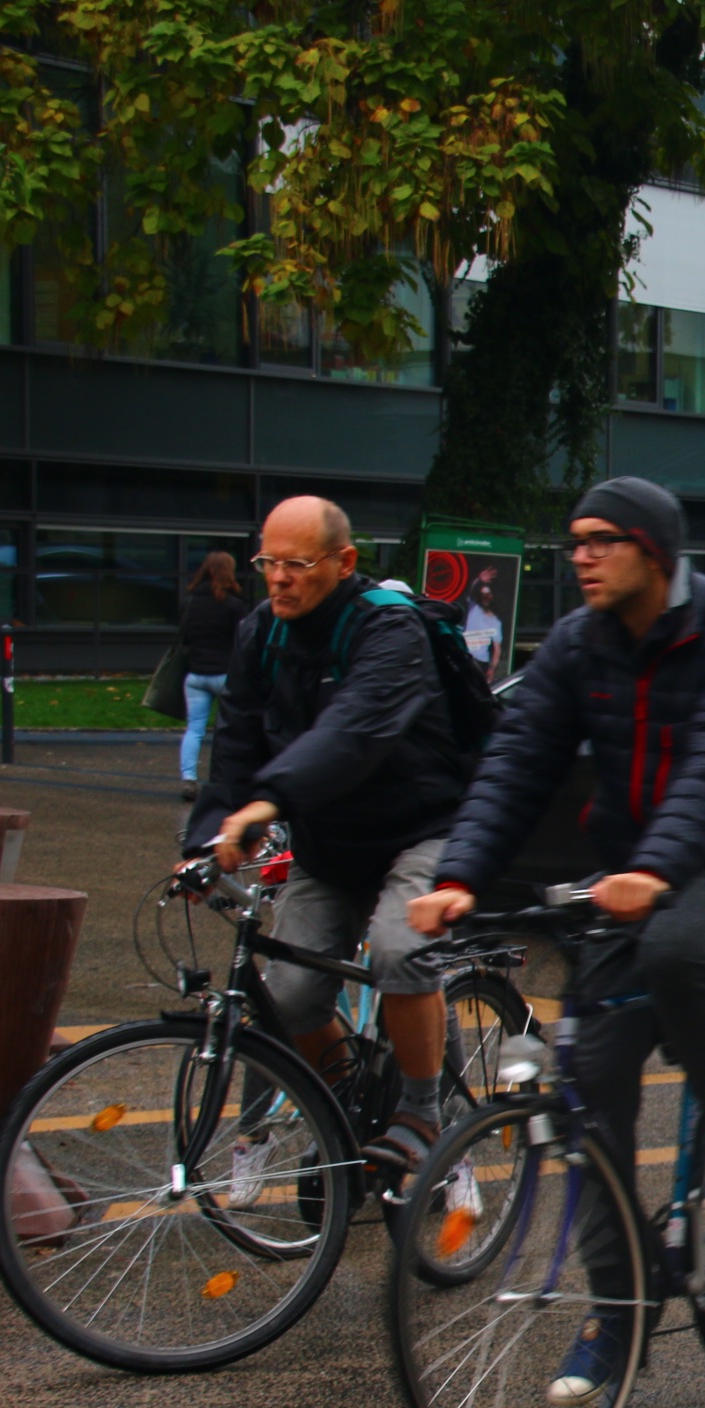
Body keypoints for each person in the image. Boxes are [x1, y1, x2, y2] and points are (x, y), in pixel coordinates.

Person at [411, 478, 705, 1406]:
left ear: (654, 552)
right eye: (574, 540)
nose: (580, 556)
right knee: (588, 1098)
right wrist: (461, 875)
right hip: (632, 874)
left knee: (678, 953)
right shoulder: (578, 644)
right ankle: (618, 1312)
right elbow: (517, 761)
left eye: (601, 540)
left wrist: (658, 868)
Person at [188, 495, 481, 1187]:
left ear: (344, 562)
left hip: (423, 828)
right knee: (288, 998)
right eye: (268, 562)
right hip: (331, 844)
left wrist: (270, 800)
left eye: (297, 564)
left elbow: (356, 728)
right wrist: (205, 839)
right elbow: (236, 740)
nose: (278, 578)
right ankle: (349, 1101)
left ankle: (423, 1115)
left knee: (400, 951)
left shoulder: (389, 628)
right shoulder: (261, 632)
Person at [175, 549, 250, 800]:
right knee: (230, 730)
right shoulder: (234, 605)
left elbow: (184, 638)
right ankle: (225, 780)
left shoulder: (189, 603)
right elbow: (244, 641)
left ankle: (188, 779)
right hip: (225, 675)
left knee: (194, 729)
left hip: (195, 675)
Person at [461, 577, 505, 682]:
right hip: (465, 658)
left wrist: (492, 669)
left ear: (492, 596)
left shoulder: (495, 622)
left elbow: (497, 650)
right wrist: (479, 580)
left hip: (480, 663)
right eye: (482, 594)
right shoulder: (474, 609)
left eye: (488, 594)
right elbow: (470, 591)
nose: (485, 597)